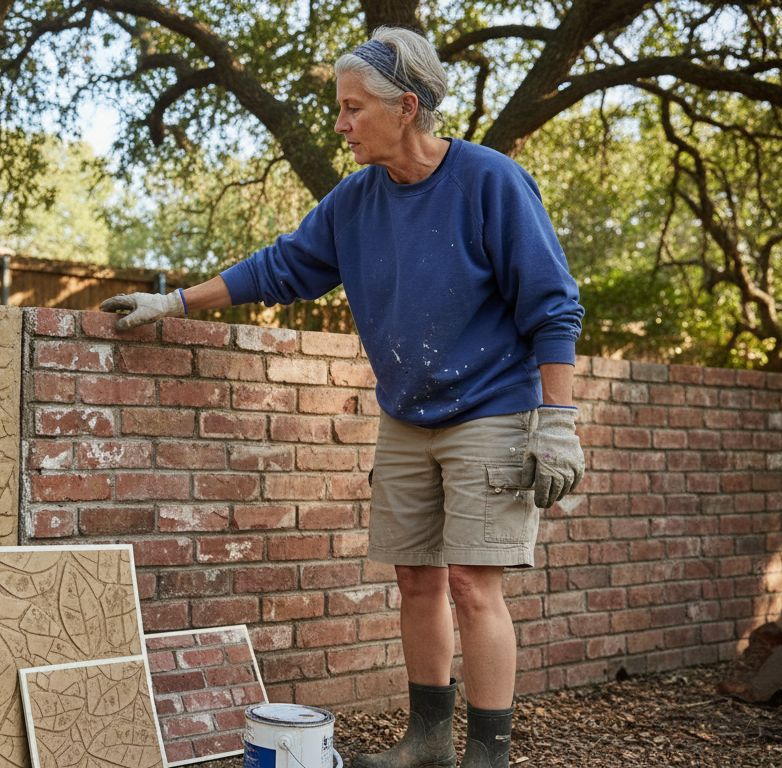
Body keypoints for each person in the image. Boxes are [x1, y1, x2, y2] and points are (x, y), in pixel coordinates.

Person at [100, 26, 585, 768]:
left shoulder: (490, 181)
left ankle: (487, 754)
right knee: (415, 579)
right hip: (408, 415)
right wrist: (174, 304)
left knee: (472, 583)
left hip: (492, 410)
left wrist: (558, 422)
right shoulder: (356, 201)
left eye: (353, 107)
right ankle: (428, 743)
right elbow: (283, 267)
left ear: (406, 107)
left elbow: (552, 306)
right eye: (340, 107)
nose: (340, 123)